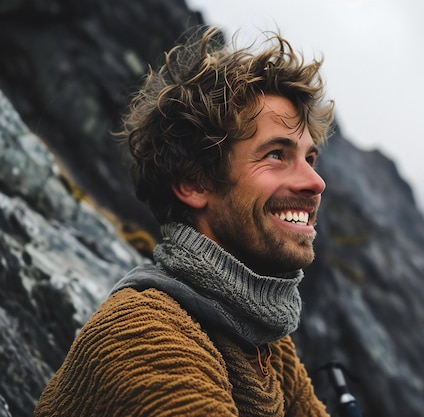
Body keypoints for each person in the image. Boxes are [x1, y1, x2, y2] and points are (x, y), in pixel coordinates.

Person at [34, 25, 334, 417]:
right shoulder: (143, 337)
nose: (316, 182)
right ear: (194, 183)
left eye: (309, 158)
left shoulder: (267, 343)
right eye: (277, 154)